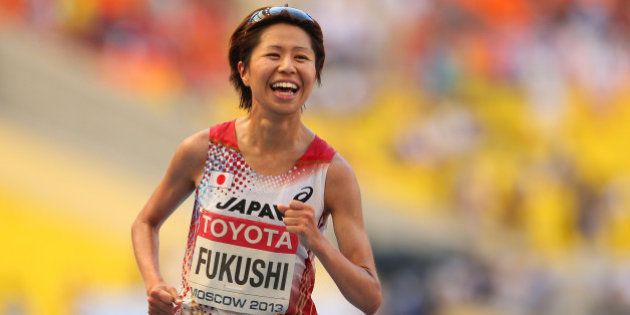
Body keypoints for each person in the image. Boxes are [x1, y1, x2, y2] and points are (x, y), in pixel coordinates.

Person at [131, 5, 382, 315]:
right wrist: (154, 284)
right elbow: (145, 222)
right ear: (244, 71)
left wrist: (318, 241)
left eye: (301, 57)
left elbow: (370, 298)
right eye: (273, 55)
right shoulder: (203, 150)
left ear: (315, 73)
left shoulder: (331, 172)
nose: (288, 66)